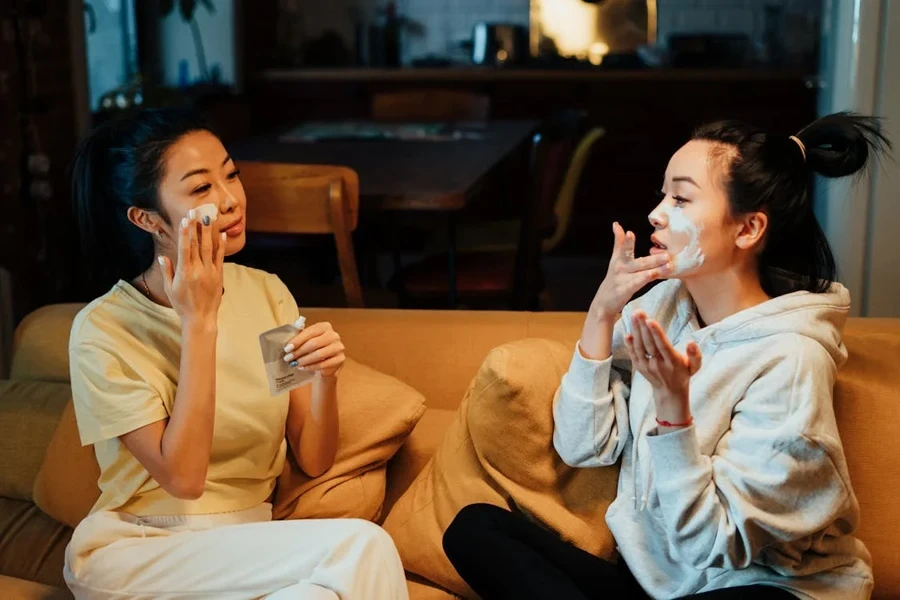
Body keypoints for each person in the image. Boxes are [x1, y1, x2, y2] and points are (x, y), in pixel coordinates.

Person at [443, 112, 890, 600]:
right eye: (663, 194)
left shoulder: (792, 358)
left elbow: (713, 543)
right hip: (661, 585)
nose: (656, 213)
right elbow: (583, 447)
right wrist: (601, 314)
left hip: (761, 586)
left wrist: (675, 411)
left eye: (680, 197)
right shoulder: (664, 304)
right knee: (474, 529)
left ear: (748, 229)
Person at [64, 108, 408, 600]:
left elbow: (312, 458)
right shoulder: (102, 329)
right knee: (361, 546)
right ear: (147, 219)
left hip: (248, 547)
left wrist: (325, 378)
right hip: (138, 552)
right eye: (201, 189)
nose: (230, 201)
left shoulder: (268, 296)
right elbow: (183, 477)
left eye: (231, 175)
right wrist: (197, 321)